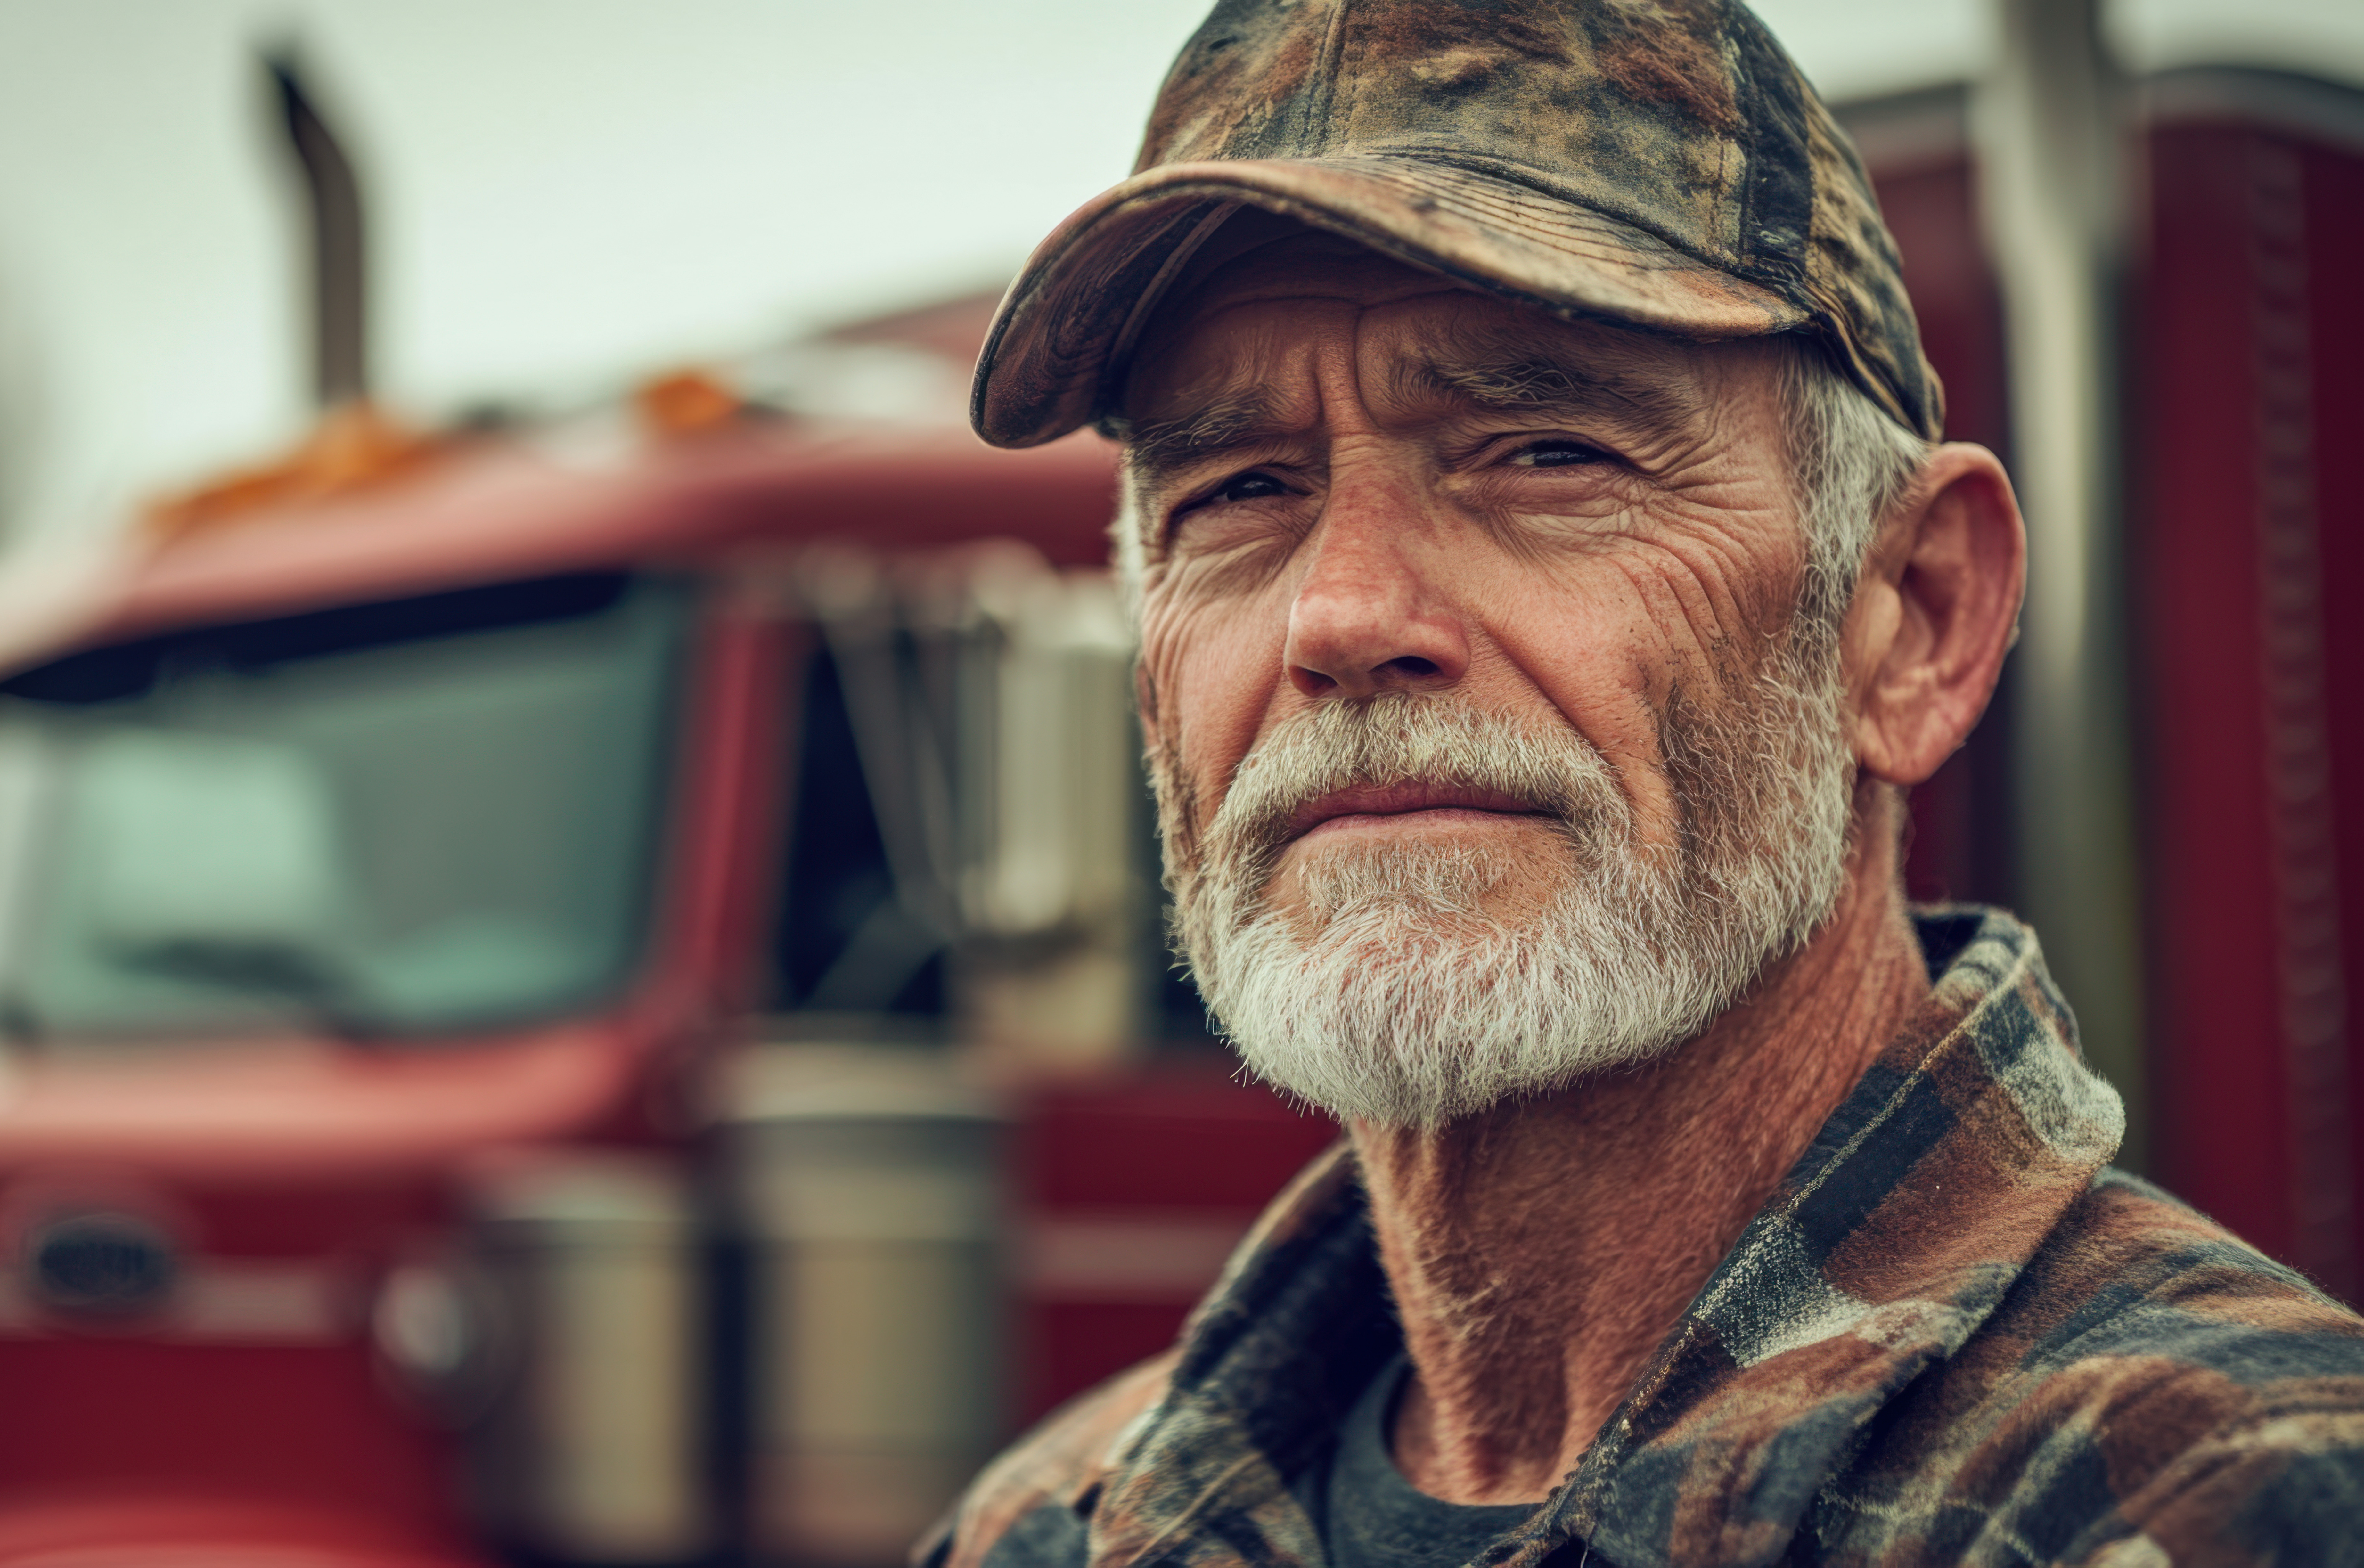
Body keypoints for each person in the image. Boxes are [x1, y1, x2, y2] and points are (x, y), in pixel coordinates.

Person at [923, 2, 2364, 1563]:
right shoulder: (1051, 1529)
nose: (1337, 617)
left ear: (1911, 620)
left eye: (1546, 454)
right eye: (1238, 491)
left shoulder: (2222, 1499)